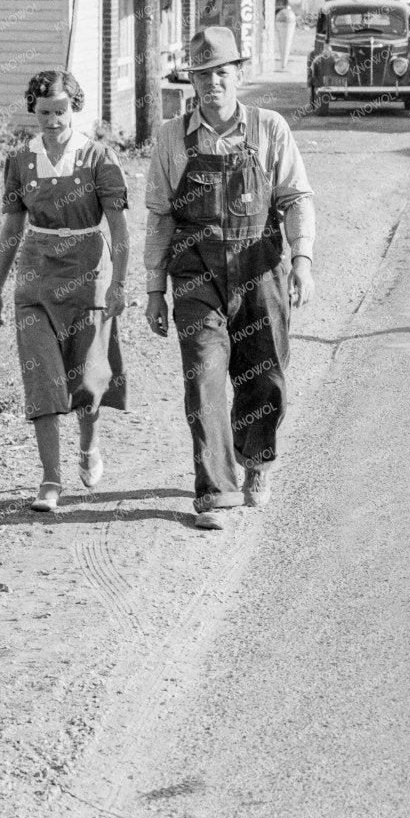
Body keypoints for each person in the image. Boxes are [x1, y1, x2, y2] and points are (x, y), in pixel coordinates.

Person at [143, 27, 318, 529]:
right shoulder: (171, 137)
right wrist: (155, 288)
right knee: (203, 380)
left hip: (260, 269)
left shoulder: (269, 128)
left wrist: (302, 259)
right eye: (202, 74)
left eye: (221, 72)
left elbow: (295, 198)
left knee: (263, 374)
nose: (213, 83)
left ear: (238, 73)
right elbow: (160, 216)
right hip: (196, 275)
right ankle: (216, 491)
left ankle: (256, 462)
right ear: (192, 80)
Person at [0, 70, 130, 513]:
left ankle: (88, 444)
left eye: (61, 111)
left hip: (88, 274)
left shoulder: (98, 158)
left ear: (75, 108)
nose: (52, 121)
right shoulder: (20, 160)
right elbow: (12, 228)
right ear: (34, 110)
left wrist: (120, 283)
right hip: (35, 277)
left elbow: (120, 230)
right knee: (43, 380)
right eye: (44, 112)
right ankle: (50, 478)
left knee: (86, 379)